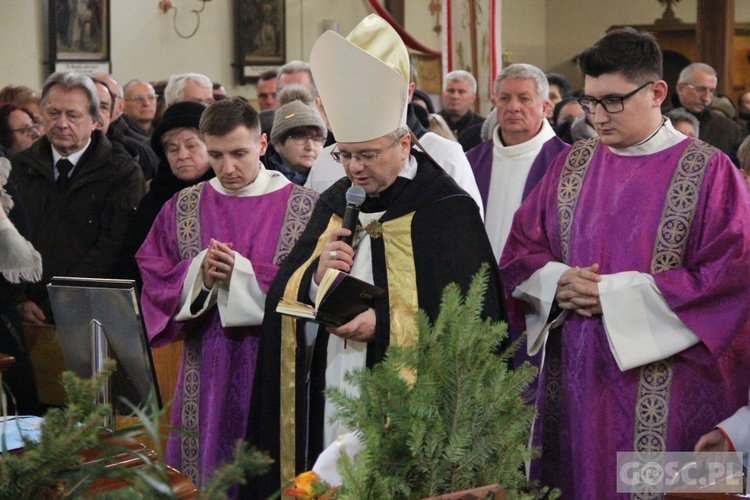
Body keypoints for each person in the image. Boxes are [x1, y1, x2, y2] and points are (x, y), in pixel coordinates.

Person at [244, 14, 505, 498]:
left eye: (367, 154)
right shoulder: (336, 199)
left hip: (408, 398)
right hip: (333, 380)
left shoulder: (445, 209)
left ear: (404, 143)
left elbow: (472, 318)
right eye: (344, 154)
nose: (354, 168)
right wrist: (315, 278)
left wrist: (381, 324)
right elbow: (286, 293)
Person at [499, 28, 750, 498]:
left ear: (657, 92)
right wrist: (557, 280)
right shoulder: (570, 164)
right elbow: (520, 253)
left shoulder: (711, 171)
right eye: (589, 101)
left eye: (612, 101)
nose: (597, 116)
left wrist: (612, 295)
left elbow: (731, 279)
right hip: (576, 388)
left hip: (674, 392)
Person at [136, 97, 318, 492]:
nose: (228, 168)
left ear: (263, 145)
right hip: (206, 363)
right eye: (215, 155)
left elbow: (313, 286)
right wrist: (198, 274)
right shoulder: (184, 206)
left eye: (239, 153)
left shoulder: (305, 208)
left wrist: (243, 275)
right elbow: (154, 274)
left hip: (276, 361)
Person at [9, 71, 145, 324]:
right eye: (53, 113)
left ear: (95, 120)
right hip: (24, 312)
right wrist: (17, 298)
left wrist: (60, 299)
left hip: (92, 311)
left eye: (72, 115)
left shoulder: (121, 173)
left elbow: (114, 247)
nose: (61, 123)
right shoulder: (17, 168)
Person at [467, 63, 567, 263]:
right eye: (505, 98)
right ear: (495, 104)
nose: (513, 107)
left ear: (545, 108)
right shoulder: (471, 161)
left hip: (540, 286)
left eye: (524, 99)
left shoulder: (568, 162)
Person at [674, 63, 744, 161]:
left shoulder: (729, 129)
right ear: (681, 88)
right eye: (700, 89)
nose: (706, 98)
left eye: (711, 91)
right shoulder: (658, 122)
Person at [264, 86, 327, 185]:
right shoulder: (258, 179)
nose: (310, 147)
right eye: (300, 137)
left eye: (317, 139)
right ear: (278, 144)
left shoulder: (332, 179)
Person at [438, 70, 485, 143]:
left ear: (472, 97)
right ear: (443, 94)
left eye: (461, 92)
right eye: (450, 91)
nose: (455, 96)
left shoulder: (483, 127)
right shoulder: (429, 123)